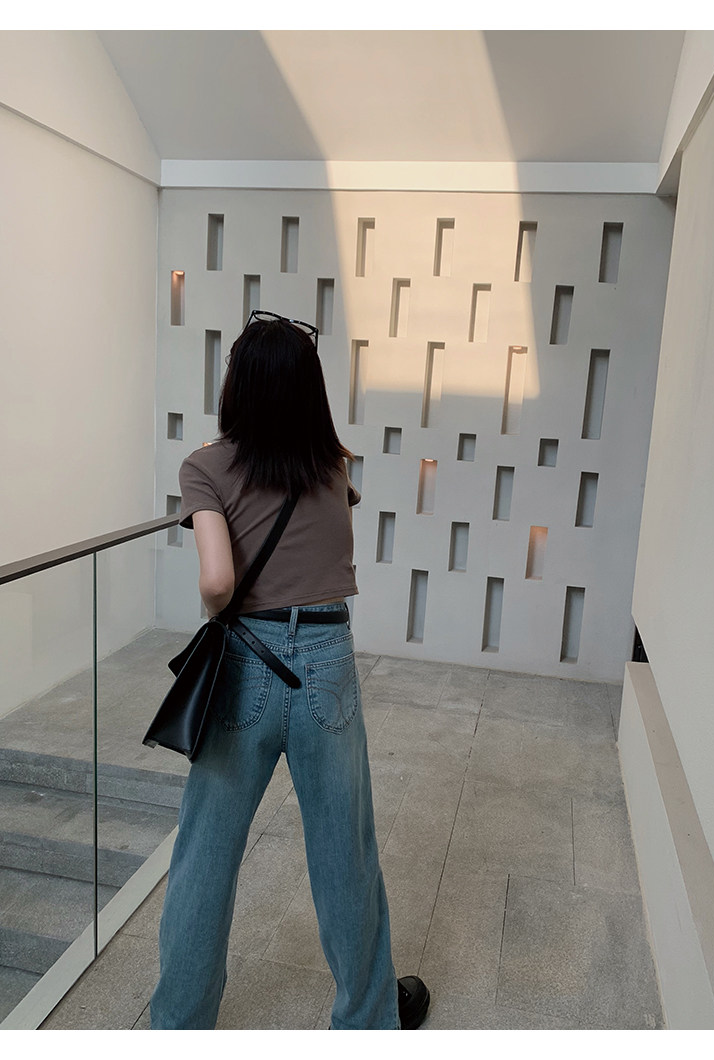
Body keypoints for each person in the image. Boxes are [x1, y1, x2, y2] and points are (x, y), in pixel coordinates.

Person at [149, 310, 429, 1030]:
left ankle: (178, 1026)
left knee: (206, 853)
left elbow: (218, 582)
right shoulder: (333, 468)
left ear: (238, 386)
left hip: (246, 660)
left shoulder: (205, 468)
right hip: (326, 661)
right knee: (345, 854)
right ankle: (366, 1020)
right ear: (309, 389)